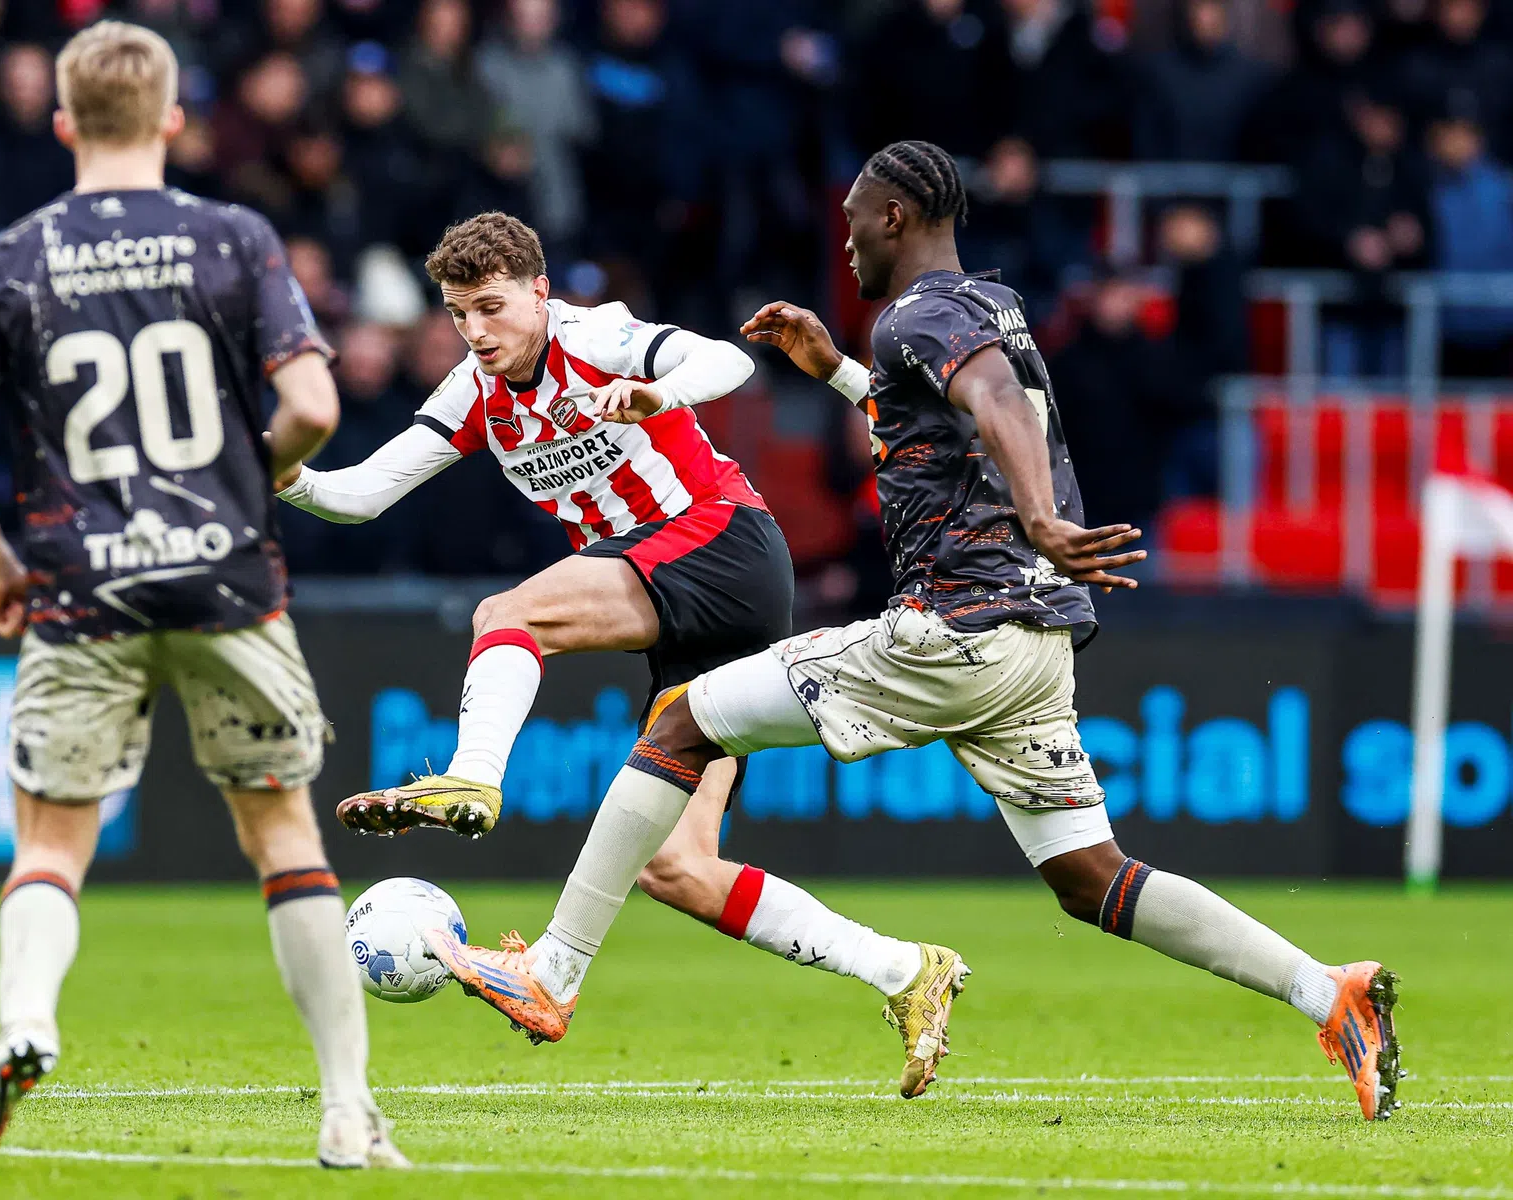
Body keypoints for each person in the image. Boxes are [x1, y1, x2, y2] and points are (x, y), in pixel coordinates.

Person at [426, 141, 1405, 1123]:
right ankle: (1329, 992)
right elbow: (941, 420)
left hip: (954, 630)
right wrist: (837, 371)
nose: (841, 235)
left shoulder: (919, 314)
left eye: (854, 215)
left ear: (895, 216)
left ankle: (552, 971)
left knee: (681, 720)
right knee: (1088, 876)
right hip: (1033, 646)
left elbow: (991, 403)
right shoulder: (988, 304)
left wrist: (1041, 517)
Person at [0, 20, 405, 1172]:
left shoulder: (10, 258)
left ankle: (26, 1027)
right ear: (175, 120)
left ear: (61, 124)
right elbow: (319, 405)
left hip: (81, 584)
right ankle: (346, 1110)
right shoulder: (233, 237)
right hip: (229, 575)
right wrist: (258, 471)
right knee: (282, 834)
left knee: (52, 843)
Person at [278, 211, 945, 1046]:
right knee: (679, 869)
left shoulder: (596, 335)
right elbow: (361, 495)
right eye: (458, 313)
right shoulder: (473, 394)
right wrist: (283, 470)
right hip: (680, 606)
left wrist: (655, 392)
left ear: (540, 292)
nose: (475, 331)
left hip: (720, 540)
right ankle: (907, 970)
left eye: (491, 307)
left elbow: (728, 360)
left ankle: (472, 779)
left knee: (508, 615)